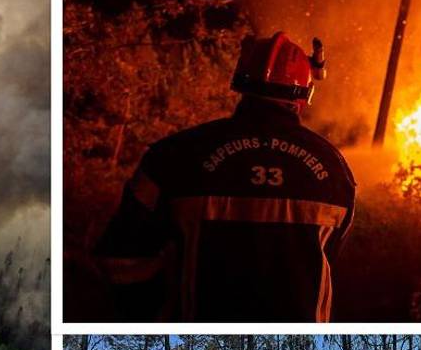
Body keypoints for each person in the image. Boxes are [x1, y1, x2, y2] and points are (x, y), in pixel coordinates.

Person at [93, 32, 355, 322]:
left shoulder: (174, 155)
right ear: (303, 95)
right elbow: (333, 255)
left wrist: (150, 316)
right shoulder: (334, 168)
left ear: (241, 82)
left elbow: (121, 259)